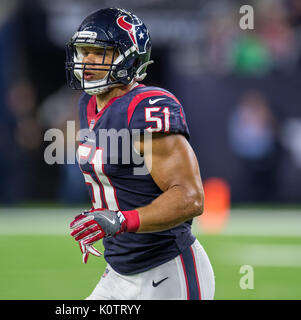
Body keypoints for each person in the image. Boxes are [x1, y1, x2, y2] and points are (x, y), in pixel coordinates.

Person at [66, 8, 215, 300]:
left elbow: (190, 197)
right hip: (119, 271)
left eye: (99, 53)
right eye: (83, 52)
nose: (87, 62)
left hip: (166, 271)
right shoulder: (89, 103)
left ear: (129, 58)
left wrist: (120, 221)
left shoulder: (146, 106)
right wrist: (100, 219)